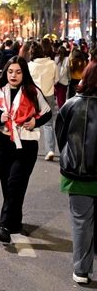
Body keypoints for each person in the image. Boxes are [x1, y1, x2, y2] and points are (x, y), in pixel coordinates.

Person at [0, 56, 51, 243]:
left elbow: (47, 113)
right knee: (9, 187)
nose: (13, 75)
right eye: (10, 72)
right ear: (5, 73)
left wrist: (35, 121)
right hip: (5, 143)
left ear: (24, 73)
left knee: (15, 184)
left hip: (27, 145)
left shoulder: (32, 92)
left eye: (18, 72)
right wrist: (0, 119)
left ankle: (5, 226)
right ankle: (15, 222)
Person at [55, 60, 97, 285]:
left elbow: (61, 137)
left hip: (77, 174)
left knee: (81, 222)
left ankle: (81, 270)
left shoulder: (71, 105)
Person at [27, 42, 59, 161]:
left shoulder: (30, 65)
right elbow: (56, 79)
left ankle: (28, 148)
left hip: (33, 96)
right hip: (49, 95)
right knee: (48, 124)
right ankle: (50, 150)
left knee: (30, 121)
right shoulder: (51, 63)